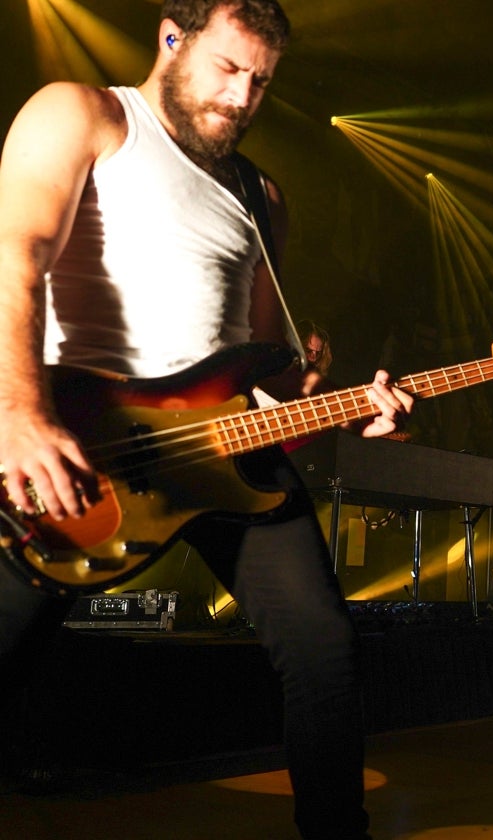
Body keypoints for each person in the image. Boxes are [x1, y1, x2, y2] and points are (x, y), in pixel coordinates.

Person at [0, 2, 412, 838]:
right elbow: (16, 254)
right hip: (81, 436)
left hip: (225, 453)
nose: (243, 94)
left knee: (325, 649)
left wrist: (336, 405)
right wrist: (16, 410)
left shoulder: (262, 197)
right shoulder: (85, 113)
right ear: (171, 37)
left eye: (261, 81)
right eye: (227, 68)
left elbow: (265, 378)